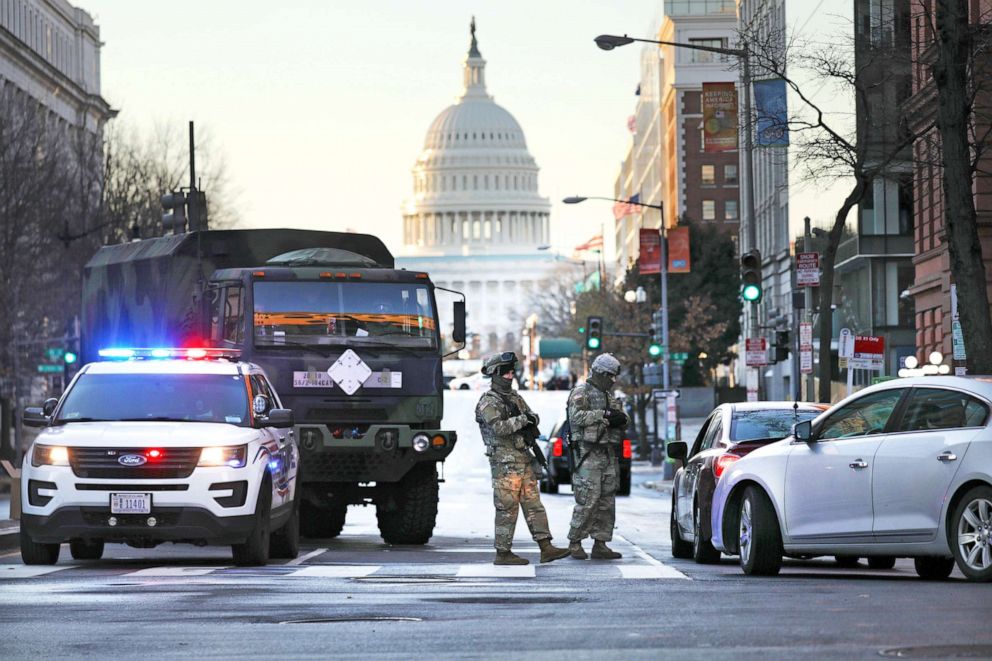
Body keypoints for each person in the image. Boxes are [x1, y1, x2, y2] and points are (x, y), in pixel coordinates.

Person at [475, 351, 570, 565]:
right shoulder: (488, 402)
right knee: (507, 507)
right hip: (504, 462)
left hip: (523, 457)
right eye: (505, 373)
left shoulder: (515, 398)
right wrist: (522, 420)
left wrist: (528, 419)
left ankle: (546, 547)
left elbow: (532, 416)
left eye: (511, 373)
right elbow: (499, 428)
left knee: (534, 504)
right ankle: (503, 552)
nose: (510, 377)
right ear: (495, 374)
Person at [567, 353, 629, 560]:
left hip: (607, 453)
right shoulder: (580, 392)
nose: (613, 380)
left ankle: (600, 543)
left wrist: (619, 418)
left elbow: (622, 417)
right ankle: (575, 542)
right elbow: (576, 417)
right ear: (600, 373)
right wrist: (603, 415)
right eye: (610, 376)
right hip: (587, 454)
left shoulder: (608, 396)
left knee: (606, 501)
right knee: (587, 500)